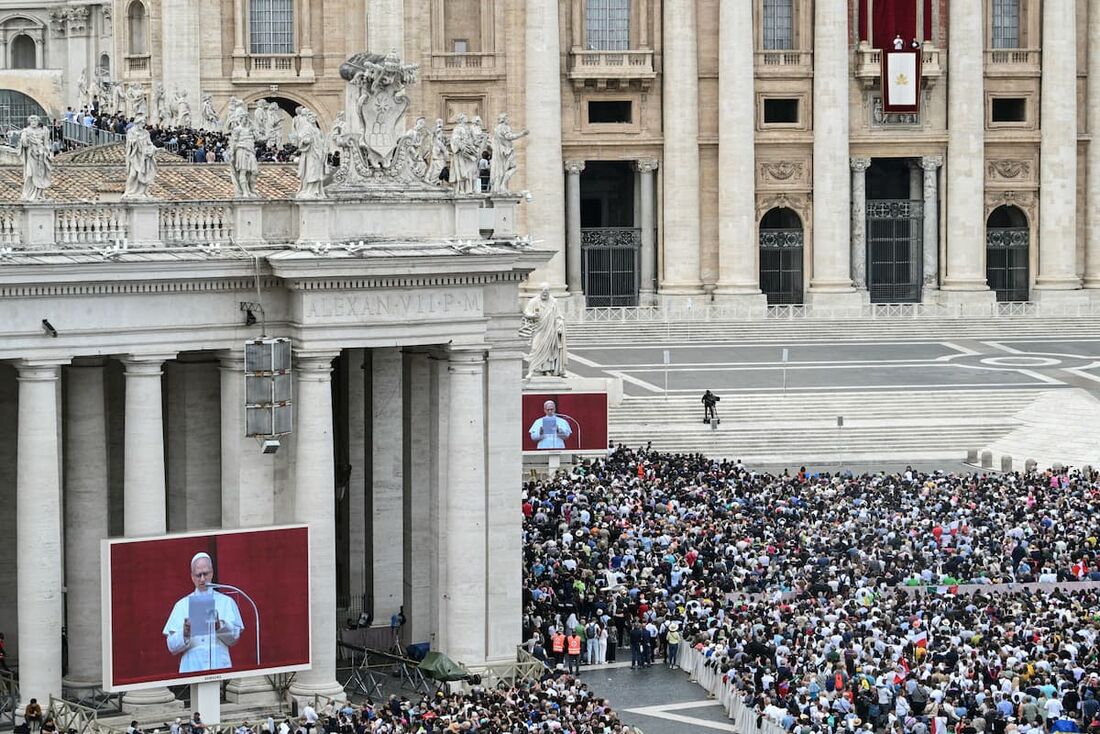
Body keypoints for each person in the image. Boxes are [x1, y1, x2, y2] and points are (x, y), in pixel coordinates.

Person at [162, 552, 244, 673]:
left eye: (205, 574)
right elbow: (171, 647)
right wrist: (184, 633)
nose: (202, 579)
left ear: (212, 572)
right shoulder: (181, 605)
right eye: (198, 575)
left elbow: (234, 639)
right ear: (192, 576)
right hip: (192, 666)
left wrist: (219, 626)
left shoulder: (226, 602)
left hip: (219, 666)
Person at [522, 285, 567, 378]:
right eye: (543, 291)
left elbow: (559, 316)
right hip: (538, 329)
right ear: (539, 291)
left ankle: (547, 370)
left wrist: (559, 325)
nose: (545, 293)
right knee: (535, 348)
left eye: (546, 291)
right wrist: (533, 315)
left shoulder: (553, 302)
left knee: (549, 350)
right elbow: (526, 313)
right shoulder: (533, 301)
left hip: (550, 330)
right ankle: (533, 369)